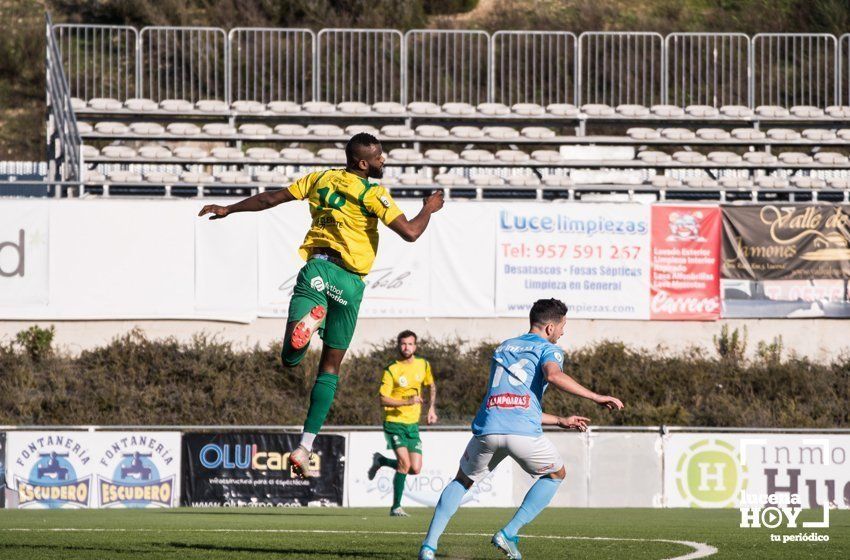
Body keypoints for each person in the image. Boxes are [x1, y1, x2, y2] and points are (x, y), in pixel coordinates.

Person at [198, 133, 444, 477]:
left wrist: (229, 208)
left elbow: (271, 199)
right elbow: (412, 232)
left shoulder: (320, 178)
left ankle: (308, 324)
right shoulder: (374, 194)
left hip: (319, 269)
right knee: (329, 369)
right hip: (352, 284)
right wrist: (429, 208)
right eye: (378, 157)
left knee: (290, 358)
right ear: (363, 163)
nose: (383, 161)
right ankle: (304, 446)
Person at [418, 298, 624, 560]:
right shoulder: (548, 349)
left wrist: (561, 420)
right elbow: (553, 375)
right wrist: (596, 397)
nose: (563, 332)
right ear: (550, 328)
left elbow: (513, 402)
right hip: (522, 433)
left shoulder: (504, 347)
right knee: (556, 474)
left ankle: (428, 547)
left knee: (462, 480)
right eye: (562, 326)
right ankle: (509, 532)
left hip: (489, 428)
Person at [366, 330, 438, 516]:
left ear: (416, 346)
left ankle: (381, 460)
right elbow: (383, 399)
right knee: (404, 464)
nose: (407, 347)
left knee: (415, 468)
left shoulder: (423, 365)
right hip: (394, 422)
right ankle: (395, 507)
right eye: (403, 344)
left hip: (412, 425)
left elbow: (431, 386)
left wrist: (431, 409)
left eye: (410, 344)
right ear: (399, 345)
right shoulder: (392, 369)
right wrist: (408, 401)